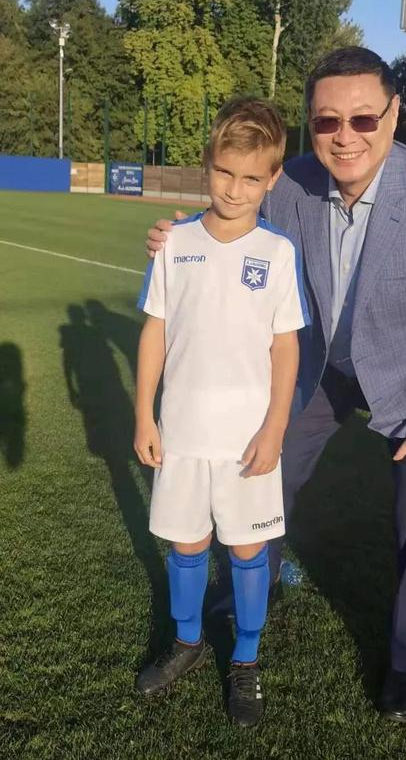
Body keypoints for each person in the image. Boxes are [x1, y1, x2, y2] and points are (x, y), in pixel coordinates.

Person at [144, 47, 406, 723]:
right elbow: (230, 214)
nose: (345, 135)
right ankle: (241, 595)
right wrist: (178, 233)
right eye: (328, 120)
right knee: (262, 468)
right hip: (321, 368)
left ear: (394, 114)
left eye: (363, 118)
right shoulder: (293, 182)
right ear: (311, 123)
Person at [133, 96, 310, 728]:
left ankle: (246, 659)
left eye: (251, 178)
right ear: (207, 165)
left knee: (247, 550)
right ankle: (186, 642)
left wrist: (275, 427)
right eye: (224, 173)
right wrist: (144, 415)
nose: (235, 190)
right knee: (187, 545)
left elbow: (285, 346)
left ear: (273, 177)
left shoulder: (277, 252)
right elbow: (155, 330)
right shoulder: (174, 242)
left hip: (247, 440)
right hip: (182, 431)